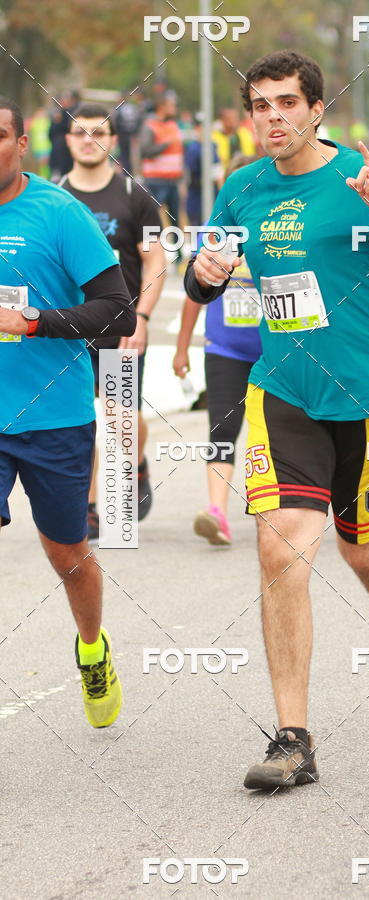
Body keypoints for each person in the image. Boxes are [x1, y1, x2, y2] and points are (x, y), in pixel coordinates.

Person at [184, 51, 369, 790]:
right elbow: (203, 273)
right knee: (282, 553)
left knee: (362, 551)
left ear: (316, 109)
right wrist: (204, 276)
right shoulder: (242, 188)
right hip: (283, 392)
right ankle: (293, 739)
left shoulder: (361, 181)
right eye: (259, 106)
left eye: (286, 103)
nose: (272, 117)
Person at [0, 97, 135, 727]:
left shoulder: (58, 214)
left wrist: (30, 321)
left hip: (53, 416)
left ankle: (92, 649)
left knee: (69, 557)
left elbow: (117, 310)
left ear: (22, 143)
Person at [61, 102, 167, 541]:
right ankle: (88, 507)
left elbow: (156, 260)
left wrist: (141, 318)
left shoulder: (134, 196)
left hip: (120, 327)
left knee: (123, 418)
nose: (90, 140)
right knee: (78, 417)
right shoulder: (55, 197)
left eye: (99, 133)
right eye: (81, 132)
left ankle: (135, 465)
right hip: (68, 331)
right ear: (68, 140)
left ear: (113, 141)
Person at [174, 154, 261, 546]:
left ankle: (274, 510)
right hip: (225, 348)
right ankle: (216, 513)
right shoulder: (215, 235)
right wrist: (182, 349)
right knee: (222, 429)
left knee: (274, 433)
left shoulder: (280, 231)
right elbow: (194, 295)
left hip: (277, 350)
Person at [140, 92, 183, 228]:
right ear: (162, 107)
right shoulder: (150, 125)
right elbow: (145, 151)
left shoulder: (173, 125)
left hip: (173, 180)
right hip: (155, 180)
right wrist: (165, 145)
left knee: (175, 219)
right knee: (152, 219)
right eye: (172, 105)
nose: (175, 108)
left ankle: (179, 249)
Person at [184, 114, 220, 227]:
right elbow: (190, 175)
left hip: (212, 195)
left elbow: (217, 169)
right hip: (197, 196)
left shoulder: (212, 146)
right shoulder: (193, 149)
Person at [211, 108, 255, 174]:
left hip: (244, 172)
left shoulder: (245, 133)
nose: (233, 121)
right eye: (229, 118)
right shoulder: (215, 137)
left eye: (235, 118)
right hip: (223, 175)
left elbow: (250, 154)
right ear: (222, 120)